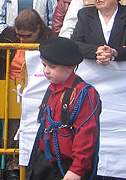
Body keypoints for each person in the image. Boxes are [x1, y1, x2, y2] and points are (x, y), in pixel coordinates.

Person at [0, 9, 53, 180]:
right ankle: (13, 165)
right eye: (19, 35)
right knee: (13, 125)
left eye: (27, 36)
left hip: (38, 91)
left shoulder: (50, 39)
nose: (22, 40)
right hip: (10, 89)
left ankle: (31, 164)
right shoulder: (8, 35)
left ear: (38, 30)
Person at [27, 36, 101, 180]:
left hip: (69, 165)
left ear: (70, 67)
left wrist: (77, 170)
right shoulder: (52, 89)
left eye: (52, 67)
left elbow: (86, 134)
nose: (46, 71)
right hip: (45, 162)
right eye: (44, 65)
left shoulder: (84, 93)